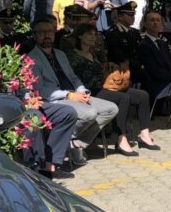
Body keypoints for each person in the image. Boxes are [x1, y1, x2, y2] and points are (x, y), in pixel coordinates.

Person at [27, 18, 119, 166]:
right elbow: (40, 89)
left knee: (111, 109)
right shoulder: (31, 58)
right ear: (34, 35)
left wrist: (82, 91)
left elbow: (73, 77)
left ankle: (76, 143)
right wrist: (68, 95)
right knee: (90, 113)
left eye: (50, 31)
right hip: (55, 100)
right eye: (42, 32)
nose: (47, 35)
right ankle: (65, 141)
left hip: (74, 95)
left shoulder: (60, 54)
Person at [68, 23, 159, 156]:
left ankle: (144, 135)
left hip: (104, 86)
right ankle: (121, 138)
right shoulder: (73, 56)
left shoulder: (93, 53)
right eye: (89, 34)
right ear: (80, 36)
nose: (93, 37)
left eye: (94, 34)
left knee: (142, 95)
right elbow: (73, 78)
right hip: (89, 91)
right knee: (123, 98)